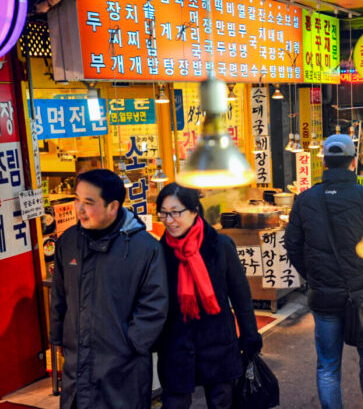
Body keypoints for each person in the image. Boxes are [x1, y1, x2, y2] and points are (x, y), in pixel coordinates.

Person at [285, 134, 363, 409]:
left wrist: (312, 276)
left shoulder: (305, 199)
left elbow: (293, 245)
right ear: (353, 163)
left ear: (324, 162)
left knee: (328, 367)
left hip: (324, 297)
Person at [50, 169, 168, 409]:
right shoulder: (69, 242)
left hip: (123, 368)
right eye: (77, 200)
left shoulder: (144, 248)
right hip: (77, 364)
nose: (79, 209)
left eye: (89, 202)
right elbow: (59, 296)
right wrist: (59, 337)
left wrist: (130, 343)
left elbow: (155, 305)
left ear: (113, 207)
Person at [154, 183, 262, 409]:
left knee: (221, 402)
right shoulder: (158, 252)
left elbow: (240, 295)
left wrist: (250, 336)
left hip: (218, 342)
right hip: (176, 345)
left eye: (176, 212)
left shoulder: (220, 245)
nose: (169, 220)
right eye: (163, 213)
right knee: (174, 403)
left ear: (194, 211)